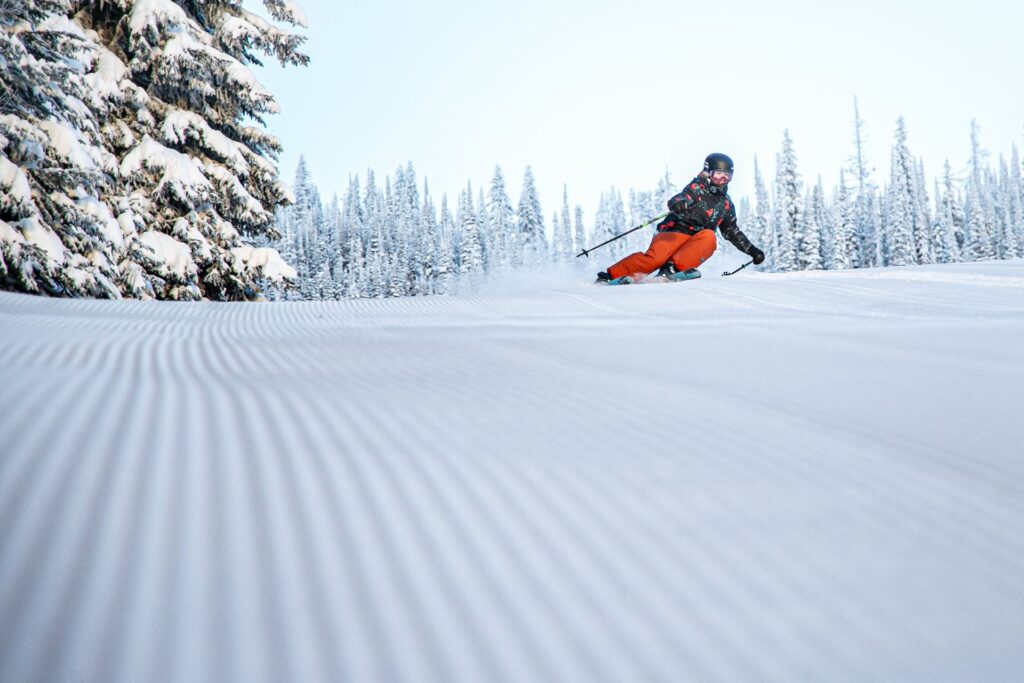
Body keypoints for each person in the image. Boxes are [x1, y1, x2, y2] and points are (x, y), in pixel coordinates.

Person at [597, 153, 765, 284]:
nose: (722, 180)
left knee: (709, 237)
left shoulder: (726, 204)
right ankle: (612, 275)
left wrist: (752, 251)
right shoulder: (697, 187)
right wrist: (679, 204)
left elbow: (731, 231)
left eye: (726, 176)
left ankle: (671, 269)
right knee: (655, 259)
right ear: (708, 172)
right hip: (674, 232)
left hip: (696, 241)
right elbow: (680, 198)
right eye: (718, 175)